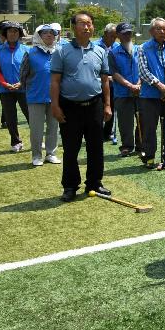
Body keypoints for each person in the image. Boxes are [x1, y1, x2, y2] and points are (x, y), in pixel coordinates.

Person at [51, 11, 112, 202]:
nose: (87, 27)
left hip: (94, 105)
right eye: (82, 23)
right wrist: (55, 106)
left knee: (96, 147)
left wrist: (108, 105)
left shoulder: (100, 51)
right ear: (73, 27)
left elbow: (105, 81)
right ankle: (70, 186)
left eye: (90, 23)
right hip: (70, 107)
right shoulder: (62, 51)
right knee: (71, 148)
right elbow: (55, 81)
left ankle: (94, 183)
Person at [138, 17, 165, 170]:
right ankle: (149, 156)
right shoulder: (143, 48)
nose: (162, 31)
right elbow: (143, 71)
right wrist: (160, 86)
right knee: (150, 127)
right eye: (158, 29)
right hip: (150, 95)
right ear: (151, 31)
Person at [20, 23, 62, 166]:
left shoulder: (59, 52)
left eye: (52, 32)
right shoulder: (31, 53)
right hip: (35, 97)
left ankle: (51, 153)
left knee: (53, 127)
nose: (49, 35)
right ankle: (36, 155)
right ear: (39, 36)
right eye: (45, 33)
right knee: (36, 129)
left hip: (55, 97)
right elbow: (23, 75)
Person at [0, 21, 30, 152]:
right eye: (10, 31)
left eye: (15, 31)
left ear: (19, 34)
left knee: (30, 115)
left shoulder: (27, 49)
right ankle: (16, 142)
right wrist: (4, 84)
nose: (13, 33)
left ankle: (37, 139)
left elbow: (29, 70)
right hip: (5, 89)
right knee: (10, 117)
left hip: (23, 88)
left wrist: (21, 82)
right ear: (5, 33)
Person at [109, 23, 142, 157]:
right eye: (124, 33)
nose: (128, 35)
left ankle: (141, 145)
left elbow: (145, 69)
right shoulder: (113, 53)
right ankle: (127, 146)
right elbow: (114, 73)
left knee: (143, 119)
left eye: (129, 33)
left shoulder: (140, 50)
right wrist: (130, 85)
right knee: (125, 121)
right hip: (122, 92)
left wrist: (139, 84)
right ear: (118, 35)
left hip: (140, 91)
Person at [96, 23, 118, 143]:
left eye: (115, 37)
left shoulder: (117, 46)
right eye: (111, 36)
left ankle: (107, 132)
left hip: (113, 83)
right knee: (99, 108)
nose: (113, 39)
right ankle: (97, 131)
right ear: (105, 34)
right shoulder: (95, 46)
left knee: (111, 107)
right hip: (98, 82)